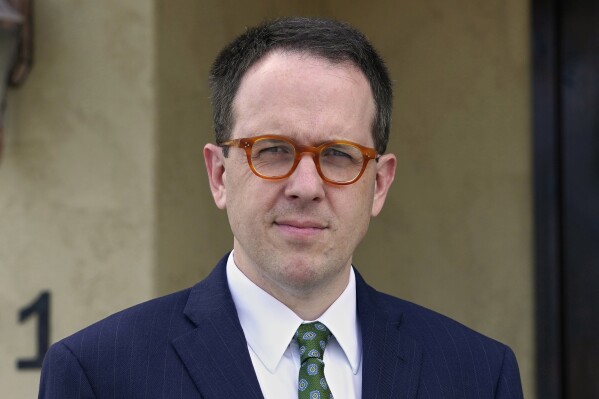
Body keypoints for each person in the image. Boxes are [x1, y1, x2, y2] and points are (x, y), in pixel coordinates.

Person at [39, 17, 524, 398]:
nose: (306, 186)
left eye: (338, 155)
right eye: (273, 149)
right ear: (219, 174)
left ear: (379, 184)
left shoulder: (478, 374)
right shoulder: (98, 375)